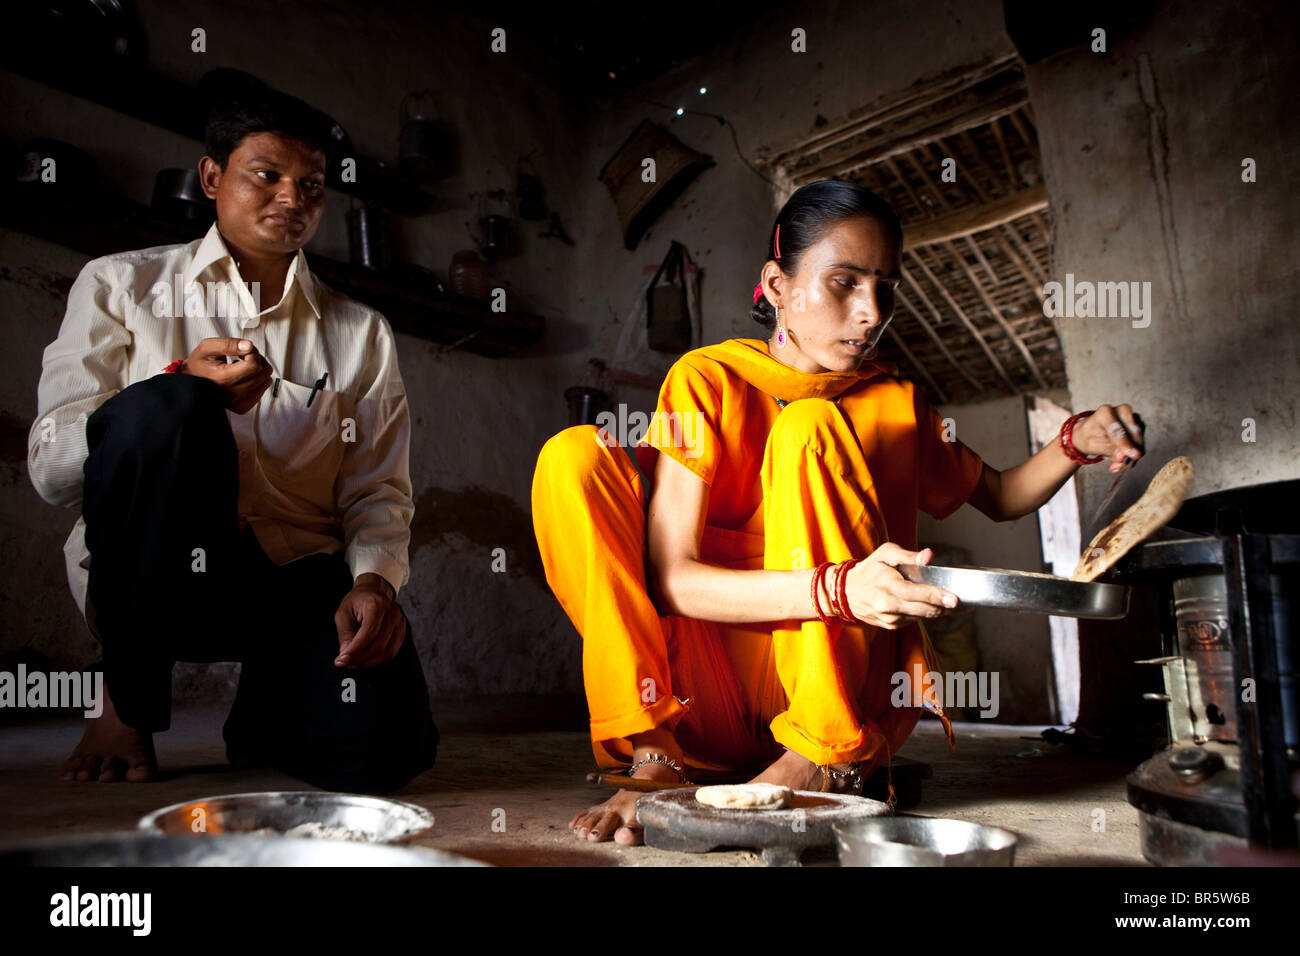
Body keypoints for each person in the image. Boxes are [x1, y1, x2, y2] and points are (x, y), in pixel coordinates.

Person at [531, 179, 1146, 845]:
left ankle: (820, 756)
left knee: (811, 427)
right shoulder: (706, 382)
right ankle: (651, 758)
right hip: (700, 700)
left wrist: (1074, 441)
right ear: (778, 285)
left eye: (885, 286)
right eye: (844, 282)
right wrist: (837, 588)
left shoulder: (895, 404)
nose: (870, 310)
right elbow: (672, 578)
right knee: (573, 456)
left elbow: (1001, 496)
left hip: (842, 700)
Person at [27, 84, 438, 792]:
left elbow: (375, 487)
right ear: (213, 177)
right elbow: (51, 468)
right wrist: (177, 385)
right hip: (153, 581)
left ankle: (268, 714)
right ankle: (126, 700)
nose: (292, 197)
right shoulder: (121, 286)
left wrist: (374, 581)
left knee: (385, 755)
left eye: (311, 185)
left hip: (291, 580)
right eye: (267, 175)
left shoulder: (360, 332)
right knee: (168, 405)